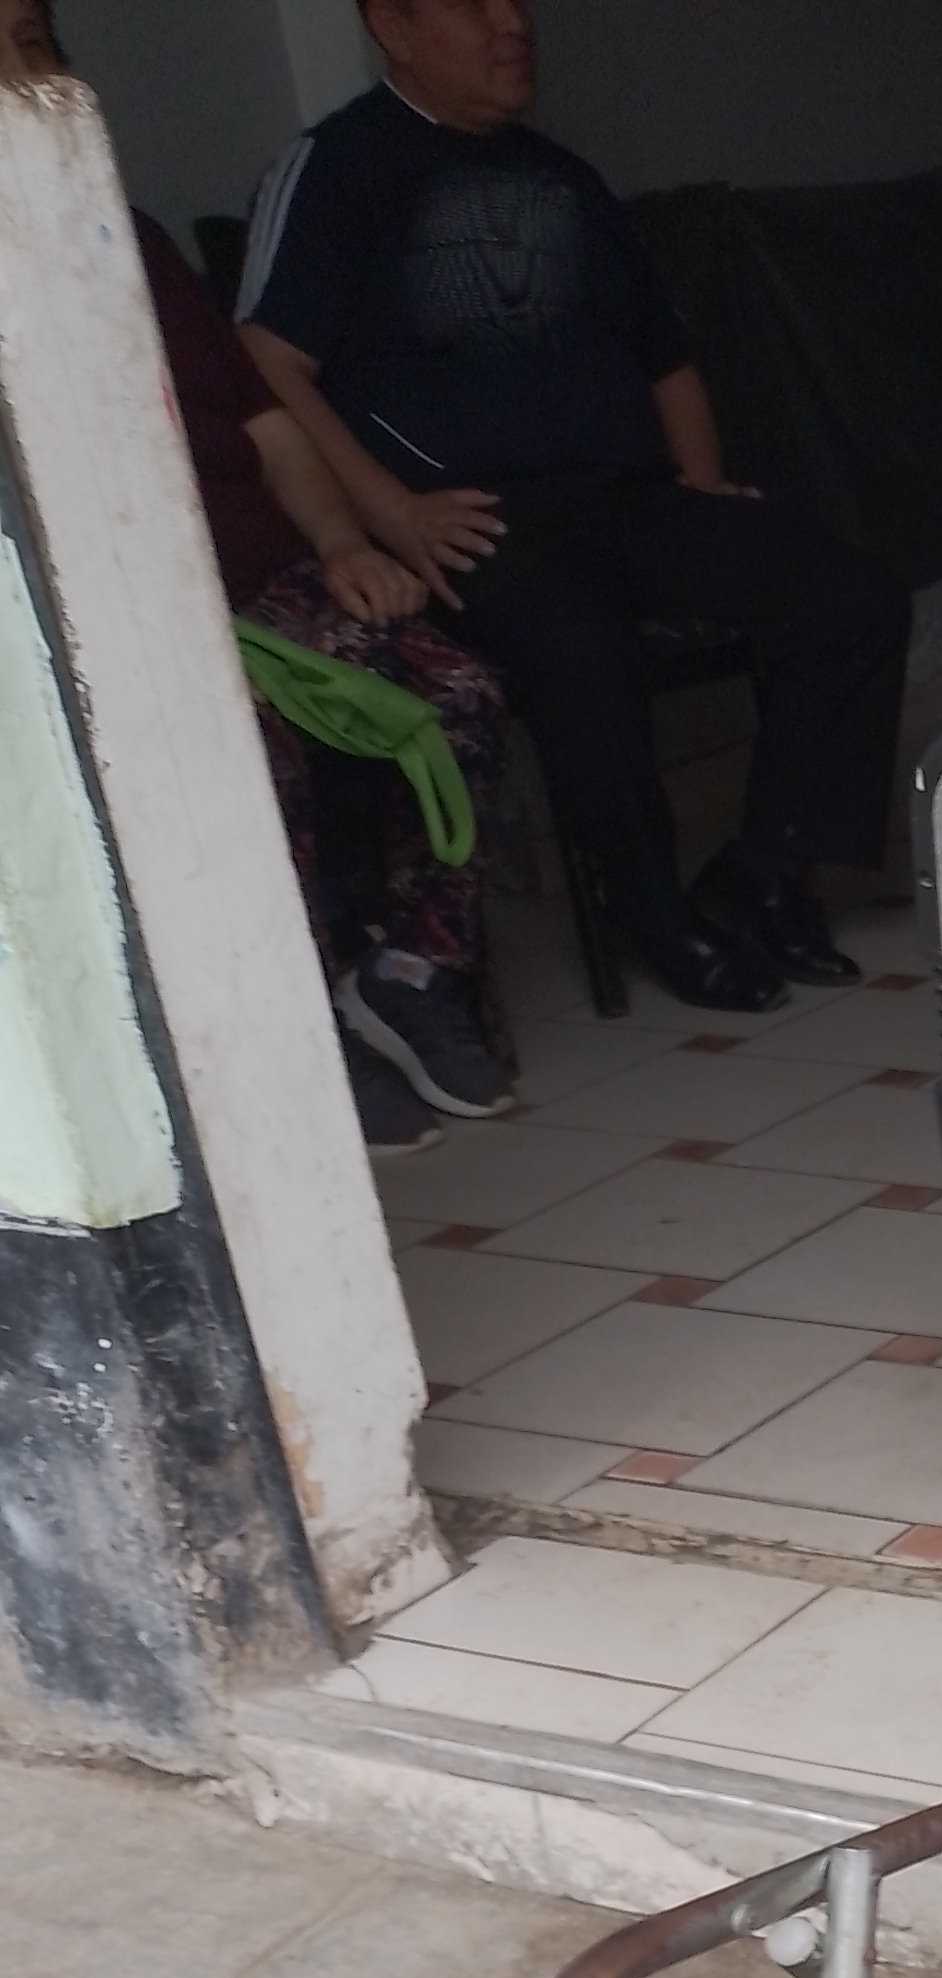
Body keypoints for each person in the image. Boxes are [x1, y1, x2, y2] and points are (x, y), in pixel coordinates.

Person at [235, 0, 911, 1015]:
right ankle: (652, 911)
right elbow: (265, 359)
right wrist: (391, 514)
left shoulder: (564, 178)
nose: (511, 23)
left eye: (516, 0)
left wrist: (699, 481)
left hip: (627, 495)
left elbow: (666, 358)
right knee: (578, 647)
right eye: (473, 4)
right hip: (476, 519)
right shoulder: (336, 168)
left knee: (848, 591)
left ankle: (765, 871)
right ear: (393, 26)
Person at [2, 0, 512, 1149]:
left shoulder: (123, 235)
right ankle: (298, 1024)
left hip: (262, 577)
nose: (21, 79)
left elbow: (270, 427)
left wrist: (342, 545)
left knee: (455, 693)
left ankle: (410, 971)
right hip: (113, 613)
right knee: (247, 754)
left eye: (34, 44)